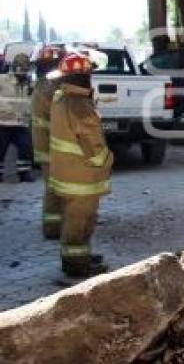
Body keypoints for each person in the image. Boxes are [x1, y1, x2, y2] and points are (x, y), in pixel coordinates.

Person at [49, 53, 113, 277]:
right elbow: (93, 144)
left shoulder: (61, 97)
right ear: (83, 77)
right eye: (88, 74)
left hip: (67, 172)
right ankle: (76, 265)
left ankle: (81, 255)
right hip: (82, 176)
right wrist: (107, 161)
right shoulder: (79, 105)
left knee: (77, 218)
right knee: (80, 220)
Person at [32, 45, 65, 238]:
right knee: (56, 188)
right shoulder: (53, 86)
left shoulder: (41, 84)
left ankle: (52, 226)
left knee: (52, 187)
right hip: (55, 146)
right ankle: (54, 228)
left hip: (45, 145)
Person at [0, 55, 34, 183]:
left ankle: (24, 173)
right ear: (14, 67)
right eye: (21, 69)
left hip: (21, 123)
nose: (23, 72)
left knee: (26, 149)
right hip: (3, 122)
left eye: (25, 69)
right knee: (0, 151)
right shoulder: (3, 80)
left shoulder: (28, 83)